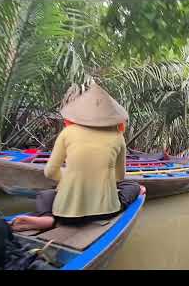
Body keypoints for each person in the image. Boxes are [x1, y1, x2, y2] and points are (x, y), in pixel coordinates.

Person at [11, 81, 145, 231]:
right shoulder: (117, 137)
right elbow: (119, 176)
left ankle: (48, 217)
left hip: (65, 215)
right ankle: (133, 191)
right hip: (105, 212)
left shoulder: (67, 133)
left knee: (47, 193)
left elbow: (49, 172)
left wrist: (67, 177)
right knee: (132, 186)